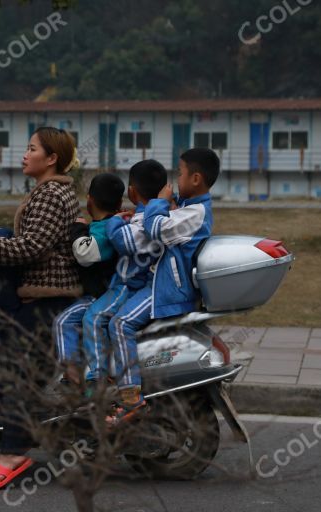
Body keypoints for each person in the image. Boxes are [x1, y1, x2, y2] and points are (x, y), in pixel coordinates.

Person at [0, 127, 81, 491]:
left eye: (31, 148)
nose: (24, 154)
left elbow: (32, 248)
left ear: (51, 158)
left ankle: (12, 455)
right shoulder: (49, 191)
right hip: (38, 293)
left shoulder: (51, 194)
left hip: (48, 296)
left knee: (19, 373)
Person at [106, 148, 219, 426]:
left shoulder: (196, 213)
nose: (174, 181)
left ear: (195, 178)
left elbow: (156, 227)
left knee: (120, 325)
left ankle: (131, 399)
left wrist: (158, 201)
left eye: (179, 173)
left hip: (168, 290)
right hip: (163, 284)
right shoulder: (189, 207)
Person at [73, 161, 167, 405]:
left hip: (129, 284)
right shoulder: (158, 215)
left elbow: (122, 240)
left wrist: (114, 220)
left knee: (96, 319)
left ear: (132, 192)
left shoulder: (142, 220)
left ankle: (99, 380)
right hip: (134, 283)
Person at [53, 173, 125, 390]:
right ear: (120, 202)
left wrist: (78, 230)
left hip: (102, 294)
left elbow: (85, 254)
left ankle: (78, 376)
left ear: (89, 199)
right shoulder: (109, 224)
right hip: (99, 292)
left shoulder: (106, 228)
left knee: (64, 321)